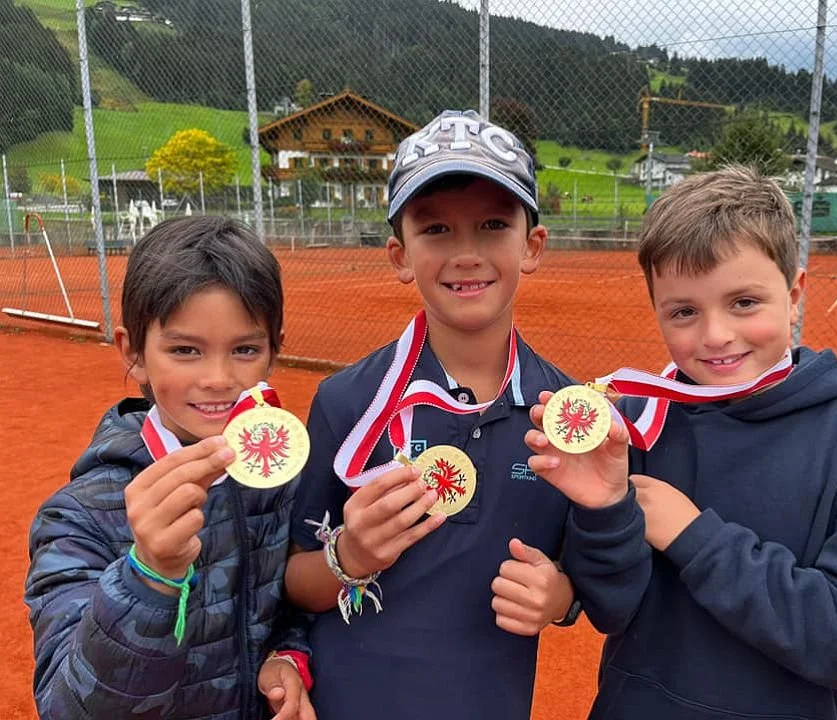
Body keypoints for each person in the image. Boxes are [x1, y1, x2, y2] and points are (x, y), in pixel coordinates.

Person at [526, 165, 837, 719]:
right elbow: (611, 607)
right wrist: (605, 509)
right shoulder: (641, 421)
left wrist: (695, 537)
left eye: (744, 302)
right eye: (685, 312)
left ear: (794, 296)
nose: (715, 335)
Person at [284, 110, 645, 720]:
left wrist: (559, 596)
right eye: (437, 230)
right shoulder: (347, 403)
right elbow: (293, 581)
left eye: (493, 225)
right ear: (400, 255)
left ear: (531, 246)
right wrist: (349, 557)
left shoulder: (566, 420)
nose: (467, 253)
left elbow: (600, 589)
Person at [25, 216, 316, 720]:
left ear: (274, 351)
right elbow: (68, 707)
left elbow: (290, 604)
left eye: (245, 350)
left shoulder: (281, 483)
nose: (219, 379)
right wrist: (148, 575)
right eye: (185, 350)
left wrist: (287, 656)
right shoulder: (79, 518)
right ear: (133, 353)